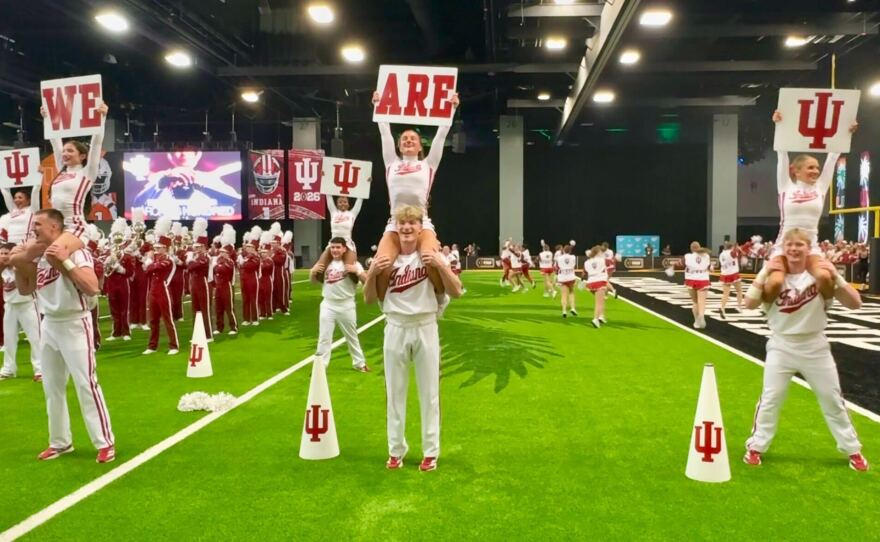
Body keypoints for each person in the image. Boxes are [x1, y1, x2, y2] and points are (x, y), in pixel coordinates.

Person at [742, 228, 868, 472]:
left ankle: (853, 450)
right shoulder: (773, 278)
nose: (794, 249)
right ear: (783, 249)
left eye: (799, 245)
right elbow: (748, 304)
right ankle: (756, 446)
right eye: (790, 245)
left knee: (832, 399)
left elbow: (856, 303)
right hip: (782, 344)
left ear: (808, 248)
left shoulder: (818, 277)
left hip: (815, 345)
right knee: (770, 399)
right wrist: (765, 270)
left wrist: (836, 275)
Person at [10, 209, 115, 463]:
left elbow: (92, 287)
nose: (33, 229)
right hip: (49, 325)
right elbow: (26, 290)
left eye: (38, 224)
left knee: (86, 384)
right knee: (51, 387)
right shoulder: (40, 257)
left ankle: (105, 442)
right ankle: (60, 442)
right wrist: (17, 264)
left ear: (54, 228)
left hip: (74, 323)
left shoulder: (77, 251)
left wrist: (65, 262)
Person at [363, 205, 462, 472]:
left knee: (429, 393)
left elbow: (457, 291)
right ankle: (396, 450)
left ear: (421, 228)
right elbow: (369, 298)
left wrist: (442, 265)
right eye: (402, 224)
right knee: (395, 392)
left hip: (425, 325)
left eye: (412, 223)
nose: (407, 228)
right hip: (395, 325)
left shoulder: (430, 257)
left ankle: (431, 452)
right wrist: (371, 272)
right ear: (396, 228)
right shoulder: (386, 259)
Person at [371, 90, 460, 300]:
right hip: (395, 223)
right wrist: (378, 105)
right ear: (399, 144)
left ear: (420, 145)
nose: (408, 140)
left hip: (422, 223)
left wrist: (452, 108)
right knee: (382, 265)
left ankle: (439, 300)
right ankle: (387, 307)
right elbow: (384, 132)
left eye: (413, 138)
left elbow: (441, 135)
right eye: (404, 138)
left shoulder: (428, 165)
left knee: (431, 260)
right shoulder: (391, 163)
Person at [762, 110, 857, 301]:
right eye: (810, 167)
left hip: (811, 246)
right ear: (795, 171)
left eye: (817, 168)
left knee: (824, 277)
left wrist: (847, 132)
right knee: (774, 284)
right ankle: (773, 317)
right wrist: (778, 125)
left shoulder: (821, 188)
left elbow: (833, 157)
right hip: (783, 245)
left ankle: (823, 310)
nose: (815, 171)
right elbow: (782, 154)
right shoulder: (786, 186)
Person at [12, 103, 108, 271]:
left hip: (75, 226)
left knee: (53, 253)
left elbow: (97, 143)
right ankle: (38, 292)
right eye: (64, 151)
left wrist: (102, 117)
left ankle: (81, 283)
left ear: (83, 156)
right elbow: (55, 141)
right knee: (17, 257)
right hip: (55, 227)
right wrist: (47, 119)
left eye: (70, 151)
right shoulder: (61, 171)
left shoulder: (87, 172)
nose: (64, 154)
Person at [312, 237, 369, 372]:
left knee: (352, 336)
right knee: (324, 338)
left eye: (338, 247)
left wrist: (357, 271)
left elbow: (366, 280)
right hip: (328, 304)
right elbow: (313, 281)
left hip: (346, 304)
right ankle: (320, 367)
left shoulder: (353, 263)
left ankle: (359, 363)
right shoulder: (326, 264)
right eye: (333, 247)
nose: (335, 250)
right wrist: (313, 271)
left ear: (344, 249)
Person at [0, 242, 41, 381]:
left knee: (35, 338)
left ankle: (40, 369)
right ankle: (8, 368)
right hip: (10, 306)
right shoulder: (3, 269)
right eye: (2, 253)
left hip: (27, 305)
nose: (4, 256)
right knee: (9, 340)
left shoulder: (22, 266)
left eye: (7, 253)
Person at [142, 219, 180, 355]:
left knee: (168, 319)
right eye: (156, 248)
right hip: (153, 290)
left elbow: (153, 267)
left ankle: (174, 345)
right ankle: (152, 346)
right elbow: (146, 271)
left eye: (159, 248)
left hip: (163, 290)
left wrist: (149, 262)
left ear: (165, 248)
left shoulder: (168, 260)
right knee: (153, 320)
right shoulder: (156, 259)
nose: (156, 250)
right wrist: (149, 263)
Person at [310, 195, 363, 281]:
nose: (343, 204)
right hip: (334, 244)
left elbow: (360, 199)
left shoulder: (352, 214)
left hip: (347, 244)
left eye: (345, 202)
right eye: (340, 202)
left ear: (349, 204)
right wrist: (327, 183)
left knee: (351, 271)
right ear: (337, 204)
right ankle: (330, 287)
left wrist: (365, 184)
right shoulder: (333, 212)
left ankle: (352, 288)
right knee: (319, 270)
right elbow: (328, 196)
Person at [684, 241, 711, 329]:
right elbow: (709, 267)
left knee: (695, 302)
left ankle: (696, 320)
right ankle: (702, 316)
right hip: (703, 279)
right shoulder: (706, 256)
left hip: (691, 280)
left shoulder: (687, 256)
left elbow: (680, 263)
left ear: (691, 248)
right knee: (701, 301)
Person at [584, 246, 609, 328]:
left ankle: (601, 316)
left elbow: (587, 271)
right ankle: (595, 319)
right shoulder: (602, 260)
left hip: (591, 282)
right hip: (599, 281)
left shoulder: (587, 262)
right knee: (599, 303)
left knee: (601, 300)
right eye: (600, 252)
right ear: (598, 252)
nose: (602, 253)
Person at [718, 240, 744, 319]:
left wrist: (736, 248)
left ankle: (722, 307)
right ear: (731, 247)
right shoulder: (732, 253)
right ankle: (739, 306)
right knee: (739, 290)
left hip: (724, 274)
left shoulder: (721, 254)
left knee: (725, 294)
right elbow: (736, 254)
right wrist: (737, 248)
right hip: (733, 274)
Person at [556, 244, 578, 318]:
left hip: (563, 277)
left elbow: (557, 267)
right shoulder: (573, 257)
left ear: (563, 250)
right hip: (571, 276)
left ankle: (564, 311)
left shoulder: (559, 258)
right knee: (571, 292)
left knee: (563, 295)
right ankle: (573, 308)